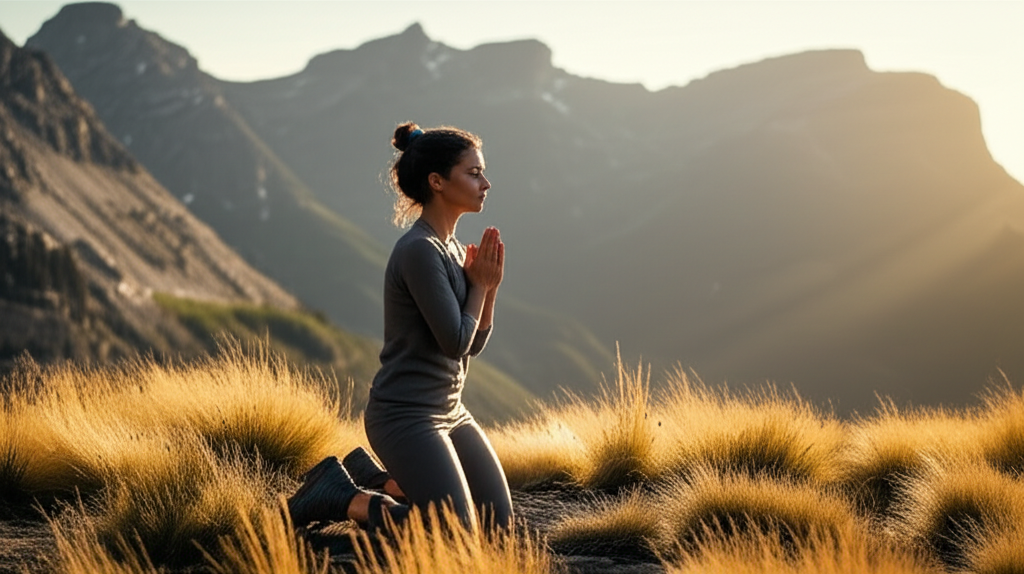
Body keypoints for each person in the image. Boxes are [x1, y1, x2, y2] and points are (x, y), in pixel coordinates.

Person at [288, 122, 513, 533]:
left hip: (450, 412)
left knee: (498, 525)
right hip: (405, 416)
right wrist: (479, 285)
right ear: (437, 181)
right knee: (455, 534)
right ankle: (343, 496)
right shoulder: (419, 252)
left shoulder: (455, 249)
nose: (486, 183)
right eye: (474, 173)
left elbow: (473, 346)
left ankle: (383, 482)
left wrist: (490, 288)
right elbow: (455, 341)